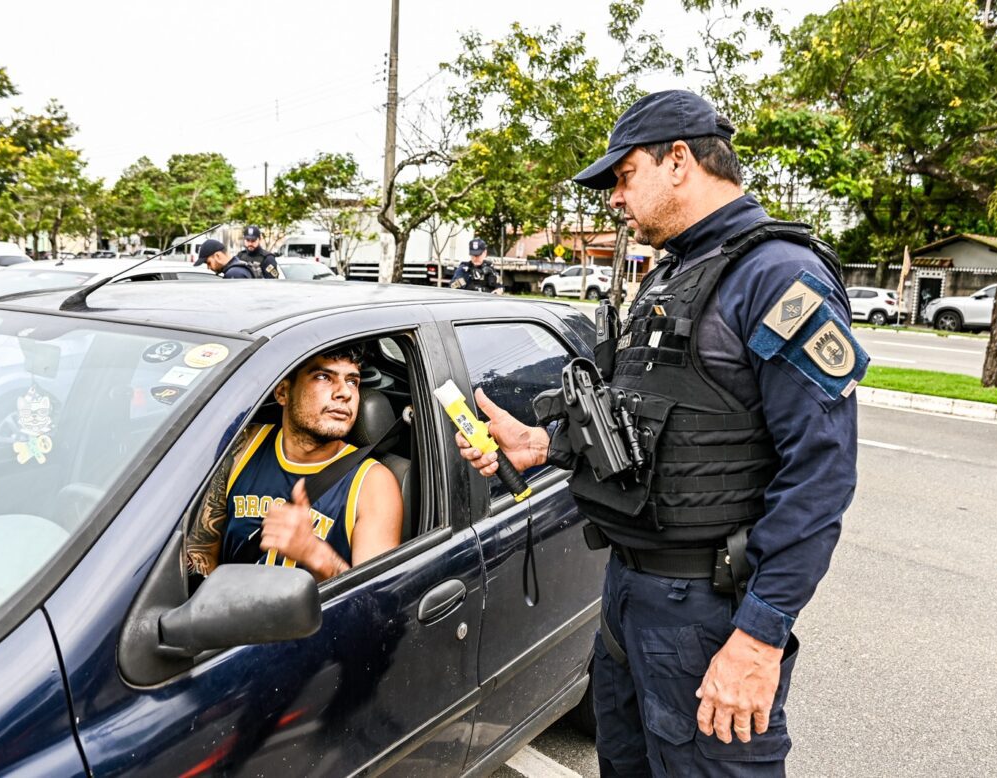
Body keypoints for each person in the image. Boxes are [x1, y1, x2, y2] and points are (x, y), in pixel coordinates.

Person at [455, 89, 865, 777]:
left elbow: (821, 477)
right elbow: (652, 429)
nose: (615, 198)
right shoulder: (674, 273)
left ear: (679, 160)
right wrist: (542, 448)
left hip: (709, 612)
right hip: (629, 596)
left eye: (623, 176)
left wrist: (759, 638)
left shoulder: (777, 276)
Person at [186, 345, 403, 581]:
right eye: (324, 377)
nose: (345, 393)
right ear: (282, 392)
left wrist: (317, 555)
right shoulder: (243, 446)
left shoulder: (373, 483)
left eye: (352, 381)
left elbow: (374, 604)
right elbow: (202, 551)